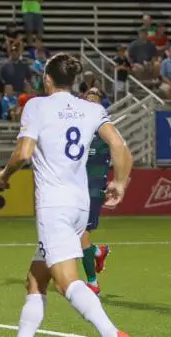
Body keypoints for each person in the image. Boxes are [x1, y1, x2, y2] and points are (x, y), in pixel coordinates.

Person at [0, 53, 132, 337]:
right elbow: (119, 146)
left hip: (53, 205)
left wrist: (5, 175)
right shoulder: (91, 109)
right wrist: (119, 183)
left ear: (47, 78)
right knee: (36, 280)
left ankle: (111, 333)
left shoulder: (36, 106)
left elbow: (23, 152)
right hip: (80, 206)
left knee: (65, 282)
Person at [80, 88, 112, 296]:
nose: (90, 101)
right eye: (88, 98)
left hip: (93, 188)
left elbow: (120, 150)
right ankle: (99, 252)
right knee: (74, 236)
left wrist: (118, 181)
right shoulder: (79, 127)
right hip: (75, 187)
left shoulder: (105, 129)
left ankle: (92, 283)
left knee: (80, 237)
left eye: (95, 98)